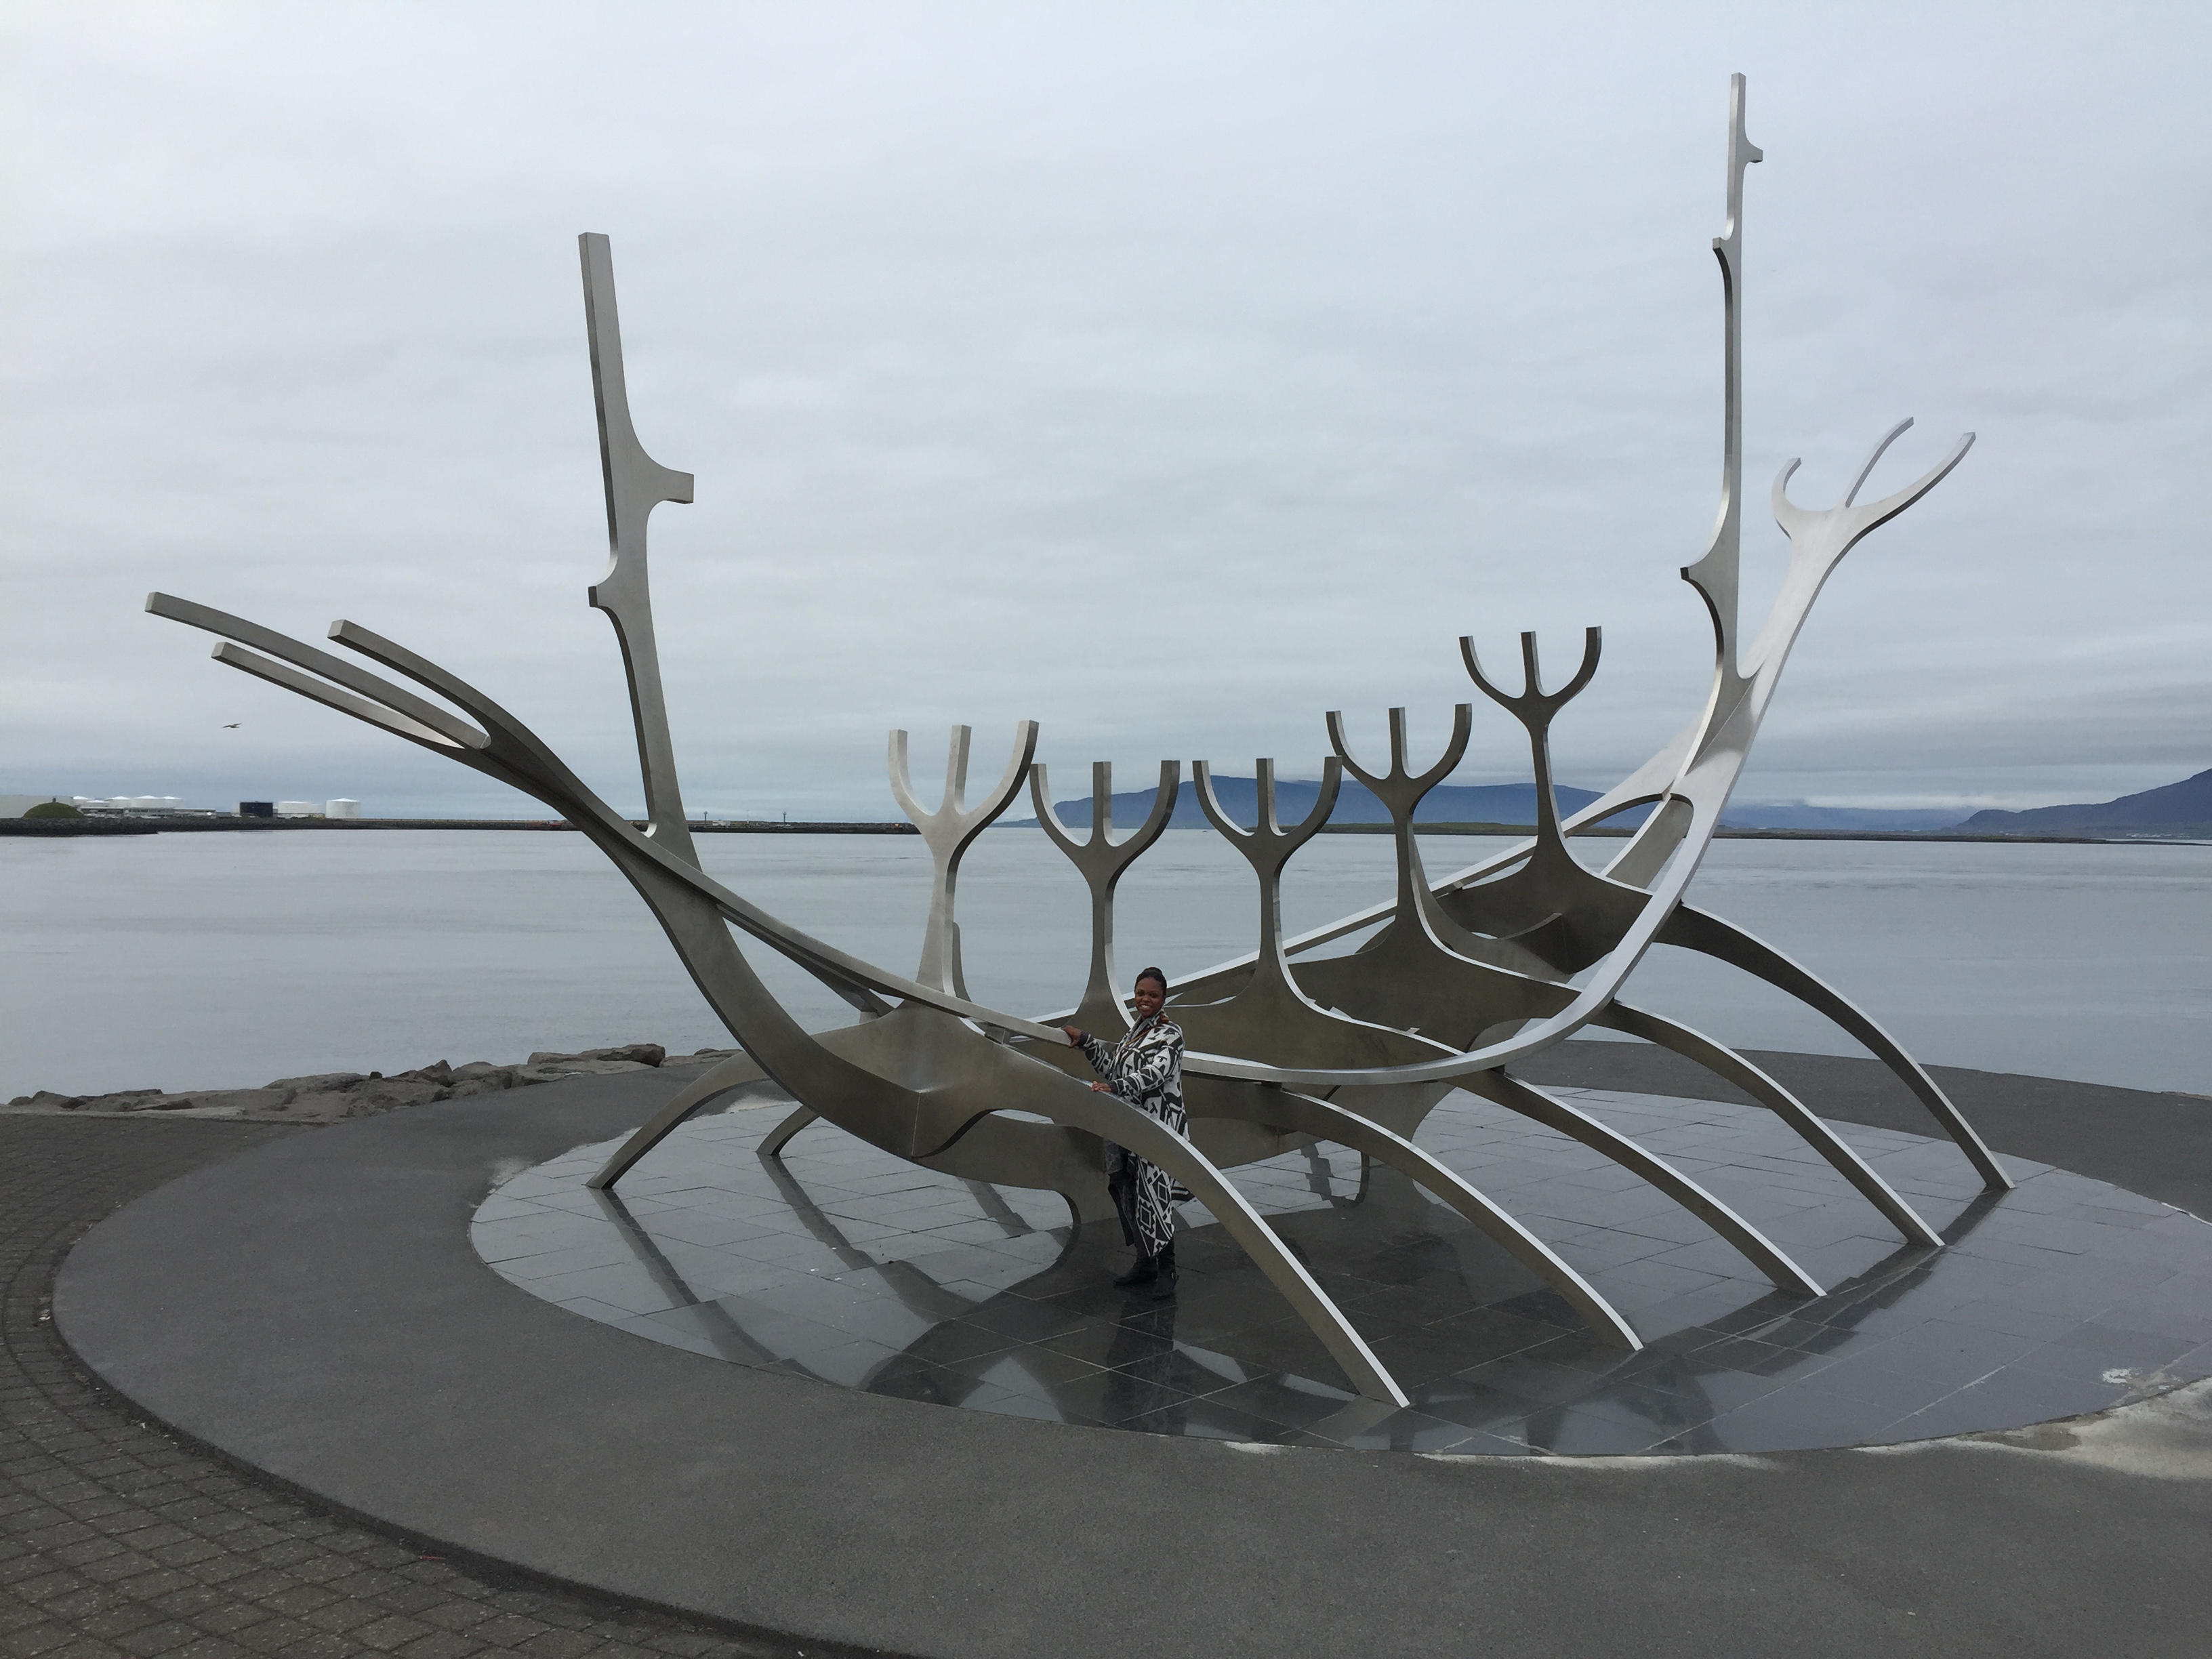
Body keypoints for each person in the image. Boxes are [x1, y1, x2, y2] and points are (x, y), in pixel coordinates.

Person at [1062, 967, 1187, 1299]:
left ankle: (1168, 1270)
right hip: (1129, 1127)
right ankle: (1145, 1263)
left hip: (1157, 1127)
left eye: (1153, 995)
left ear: (1164, 998)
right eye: (1140, 993)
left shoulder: (1171, 1034)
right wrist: (1087, 1043)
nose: (1145, 1000)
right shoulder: (1133, 1033)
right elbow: (1113, 1070)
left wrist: (1116, 1087)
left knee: (1156, 1197)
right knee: (1131, 1193)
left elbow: (1156, 1074)